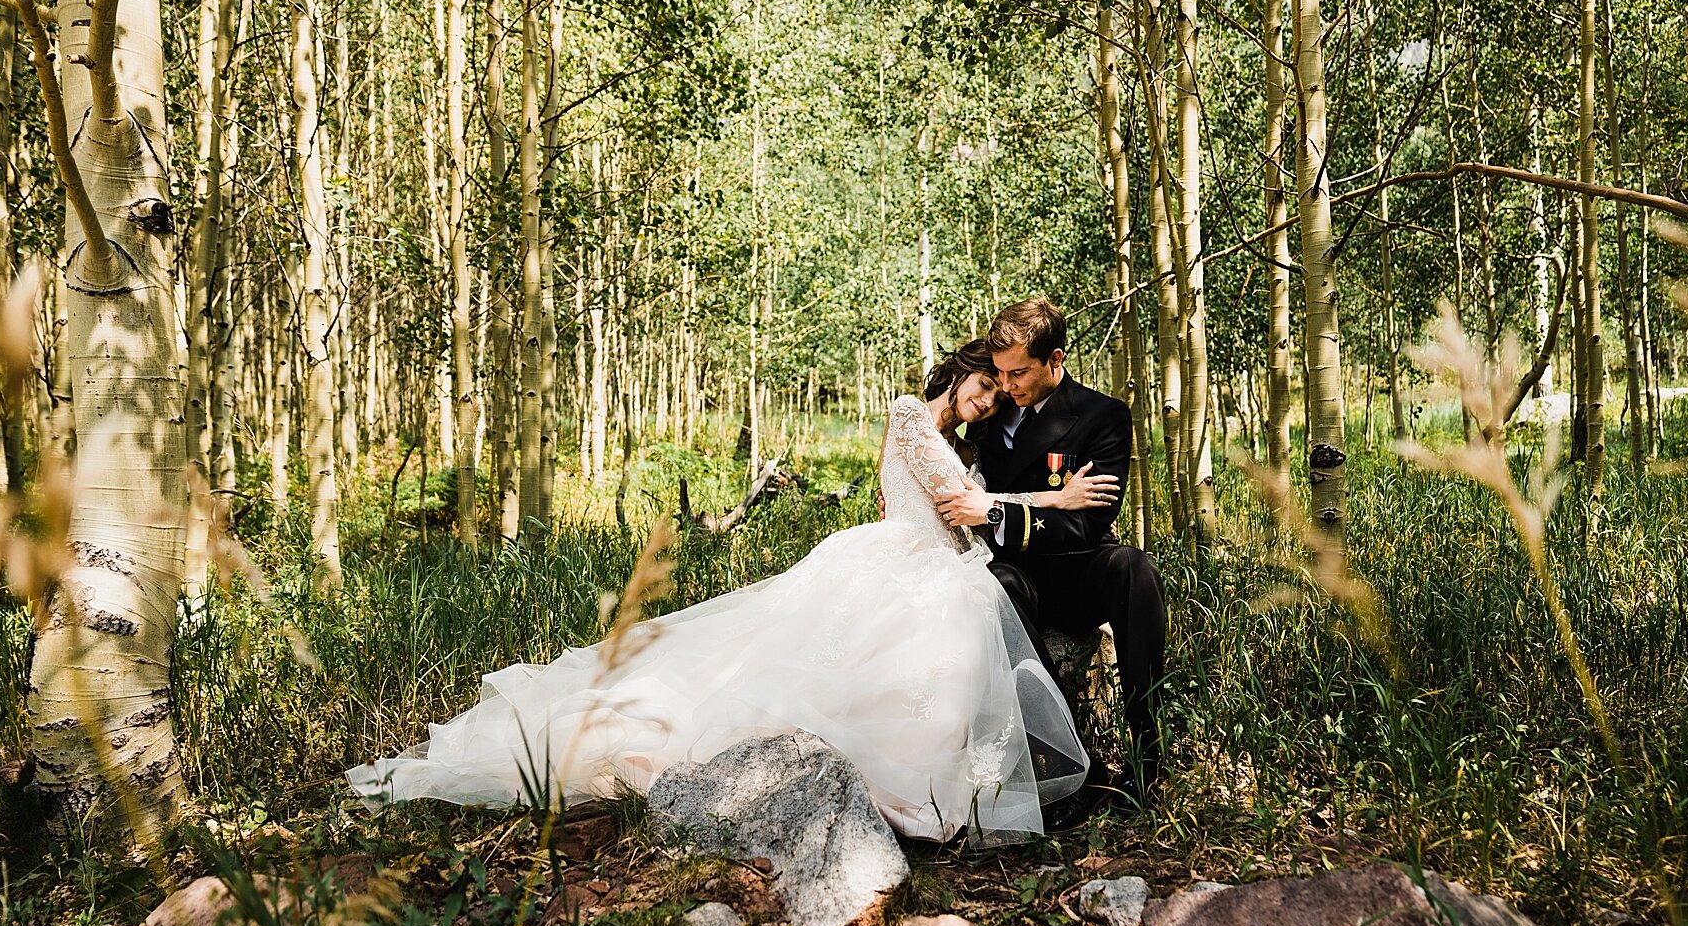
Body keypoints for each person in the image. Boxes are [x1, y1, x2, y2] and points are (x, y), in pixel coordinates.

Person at [347, 341, 1119, 845]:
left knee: (931, 654)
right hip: (900, 557)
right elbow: (955, 504)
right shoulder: (912, 415)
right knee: (853, 654)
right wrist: (1059, 500)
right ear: (956, 374)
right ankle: (864, 788)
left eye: (995, 395)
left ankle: (903, 792)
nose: (986, 402)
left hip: (938, 559)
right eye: (982, 387)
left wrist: (1001, 513)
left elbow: (967, 514)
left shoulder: (961, 440)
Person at [939, 297, 1169, 825]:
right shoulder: (989, 421)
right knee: (999, 581)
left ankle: (1147, 759)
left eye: (1018, 372)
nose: (1007, 385)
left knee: (1134, 570)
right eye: (998, 373)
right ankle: (1062, 762)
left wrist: (995, 511)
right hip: (1017, 576)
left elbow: (1086, 523)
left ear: (1055, 360)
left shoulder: (1102, 416)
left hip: (1076, 571)